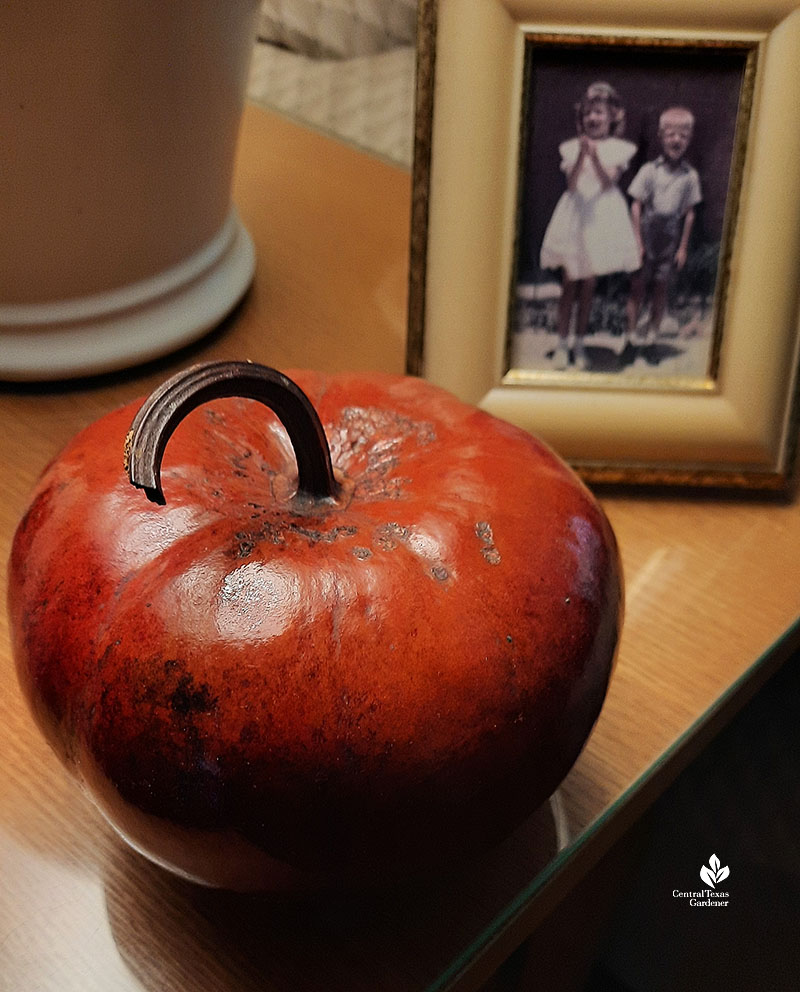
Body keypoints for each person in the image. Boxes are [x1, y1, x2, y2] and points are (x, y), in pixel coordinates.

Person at [540, 81, 640, 370]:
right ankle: (562, 344)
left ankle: (580, 343)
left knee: (589, 284)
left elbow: (608, 181)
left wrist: (594, 157)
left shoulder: (619, 149)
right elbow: (571, 185)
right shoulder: (572, 148)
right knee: (570, 281)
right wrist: (583, 155)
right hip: (576, 219)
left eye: (598, 113)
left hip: (601, 221)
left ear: (612, 117)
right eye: (587, 114)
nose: (592, 119)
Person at [625, 106, 702, 356]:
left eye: (683, 135)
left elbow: (689, 214)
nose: (676, 140)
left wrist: (682, 248)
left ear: (689, 139)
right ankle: (630, 336)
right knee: (638, 287)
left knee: (660, 289)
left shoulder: (690, 176)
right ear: (661, 136)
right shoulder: (650, 170)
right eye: (671, 134)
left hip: (669, 238)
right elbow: (636, 206)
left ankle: (652, 338)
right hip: (647, 234)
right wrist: (637, 242)